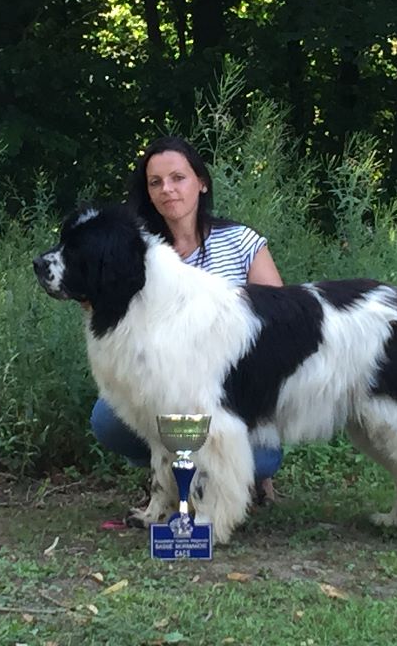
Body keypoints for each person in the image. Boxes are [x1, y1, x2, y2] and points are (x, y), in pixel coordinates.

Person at [90, 135, 285, 510]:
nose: (168, 190)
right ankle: (173, 478)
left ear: (201, 182)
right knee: (108, 418)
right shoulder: (135, 253)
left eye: (178, 178)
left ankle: (244, 477)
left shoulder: (241, 241)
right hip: (163, 389)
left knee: (261, 459)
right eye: (156, 182)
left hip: (235, 396)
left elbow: (278, 321)